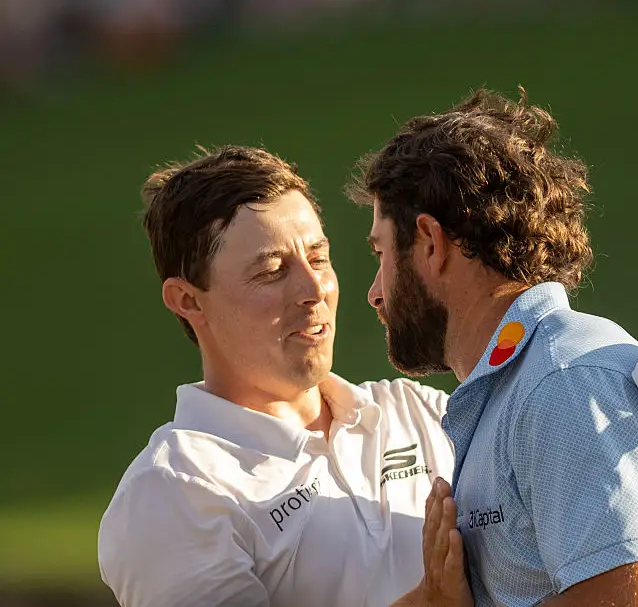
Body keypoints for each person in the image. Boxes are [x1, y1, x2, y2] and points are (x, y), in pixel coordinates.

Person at [346, 87, 638, 606]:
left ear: (430, 241)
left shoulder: (563, 381)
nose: (375, 292)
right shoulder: (542, 377)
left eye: (381, 253)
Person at [96, 145, 470, 607]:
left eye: (318, 259)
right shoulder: (173, 489)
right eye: (272, 271)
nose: (315, 291)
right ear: (188, 301)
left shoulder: (420, 412)